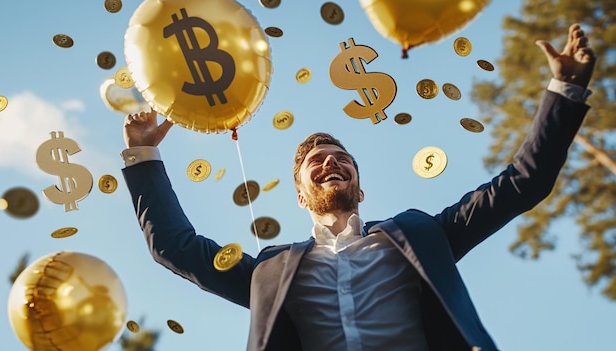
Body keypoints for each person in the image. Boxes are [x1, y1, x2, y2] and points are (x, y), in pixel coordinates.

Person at [120, 24, 596, 351]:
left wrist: (565, 92)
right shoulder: (270, 272)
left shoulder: (421, 234)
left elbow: (521, 184)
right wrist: (144, 155)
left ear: (360, 189)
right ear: (302, 195)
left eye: (341, 158)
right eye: (315, 162)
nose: (330, 161)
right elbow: (176, 247)